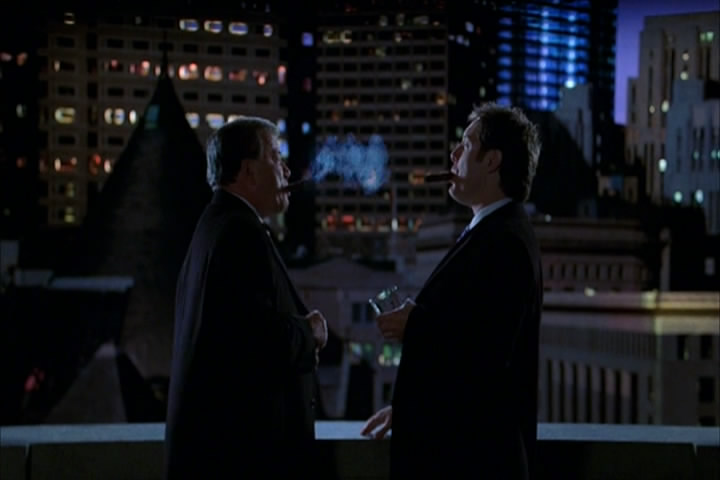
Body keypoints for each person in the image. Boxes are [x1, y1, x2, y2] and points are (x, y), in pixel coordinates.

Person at [362, 102, 544, 479]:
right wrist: (411, 409)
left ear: (492, 161)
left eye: (466, 144)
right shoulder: (493, 232)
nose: (453, 154)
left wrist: (415, 325)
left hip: (473, 464)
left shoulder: (505, 242)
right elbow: (465, 349)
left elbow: (488, 354)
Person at [165, 117, 328, 479]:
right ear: (249, 172)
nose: (286, 170)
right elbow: (254, 341)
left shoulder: (216, 224)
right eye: (276, 157)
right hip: (240, 460)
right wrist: (310, 332)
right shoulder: (239, 233)